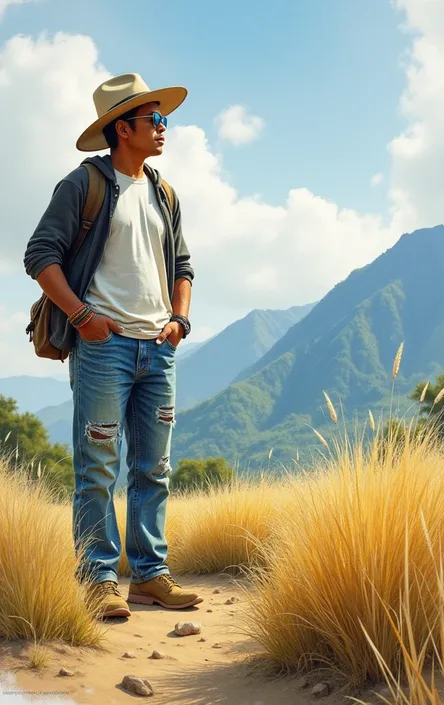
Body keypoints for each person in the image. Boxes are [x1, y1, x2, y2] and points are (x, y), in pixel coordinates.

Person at [24, 73, 203, 618]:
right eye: (155, 120)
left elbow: (184, 267)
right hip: (104, 349)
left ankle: (150, 577)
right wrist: (83, 317)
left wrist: (179, 322)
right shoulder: (84, 184)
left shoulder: (165, 192)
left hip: (159, 350)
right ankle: (97, 580)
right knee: (97, 467)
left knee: (154, 468)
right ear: (123, 128)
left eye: (163, 119)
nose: (164, 128)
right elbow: (40, 256)